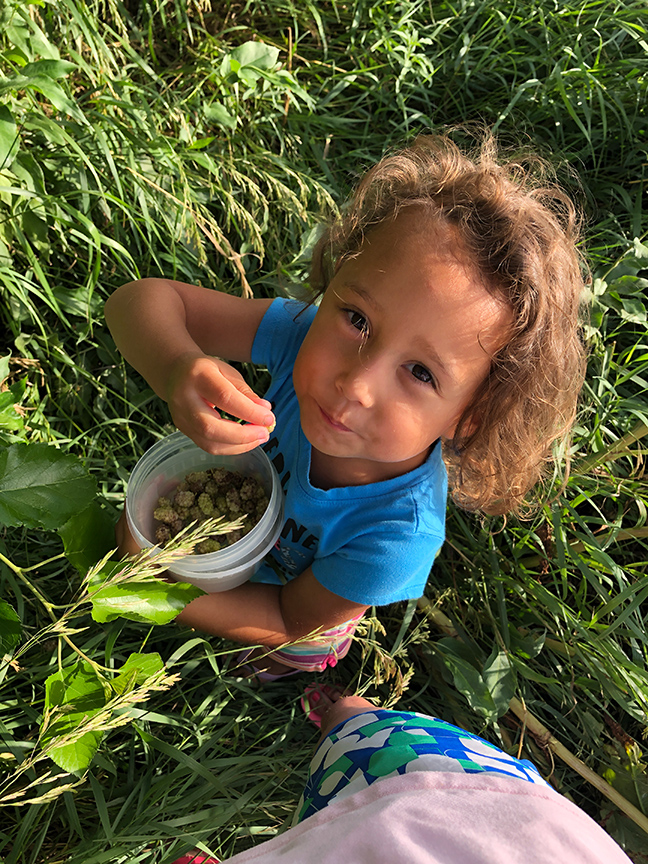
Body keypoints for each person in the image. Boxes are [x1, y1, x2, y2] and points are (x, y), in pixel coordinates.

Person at [105, 134, 586, 680]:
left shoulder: (396, 537)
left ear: (469, 417)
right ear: (334, 281)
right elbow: (139, 301)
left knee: (260, 667)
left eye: (421, 373)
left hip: (292, 626)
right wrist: (175, 368)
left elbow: (289, 618)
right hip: (219, 549)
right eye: (357, 319)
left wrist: (158, 588)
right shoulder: (298, 337)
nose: (356, 383)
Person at [170, 685, 632, 864]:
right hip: (470, 806)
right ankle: (340, 714)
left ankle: (339, 715)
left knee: (346, 760)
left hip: (477, 811)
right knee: (355, 727)